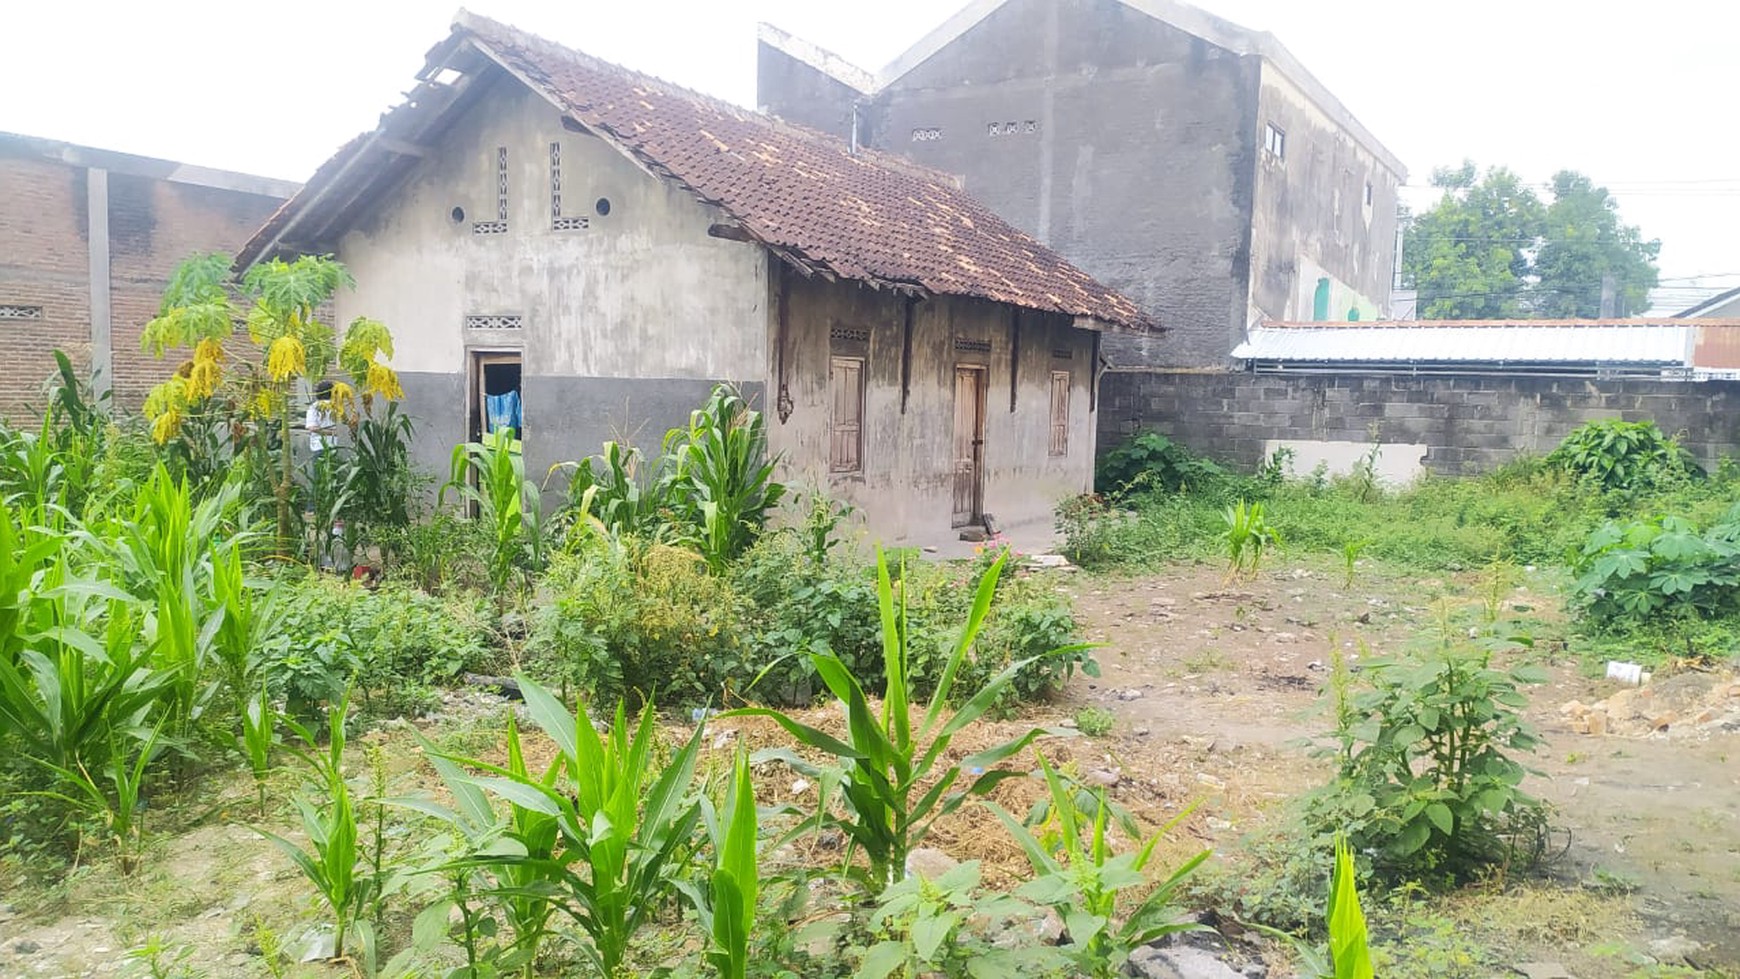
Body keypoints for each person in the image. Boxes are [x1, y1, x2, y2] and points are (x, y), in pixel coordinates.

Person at [306, 380, 338, 454]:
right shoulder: (338, 406)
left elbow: (312, 428)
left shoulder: (314, 407)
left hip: (319, 445)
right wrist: (333, 432)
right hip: (335, 445)